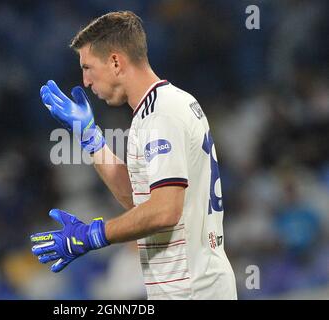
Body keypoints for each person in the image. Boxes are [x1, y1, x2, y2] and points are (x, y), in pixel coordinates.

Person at [30, 11, 237, 300]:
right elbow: (138, 201)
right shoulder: (159, 107)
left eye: (88, 67)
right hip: (190, 287)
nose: (86, 81)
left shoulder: (161, 114)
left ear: (115, 61)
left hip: (192, 290)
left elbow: (164, 211)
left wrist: (92, 235)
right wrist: (91, 138)